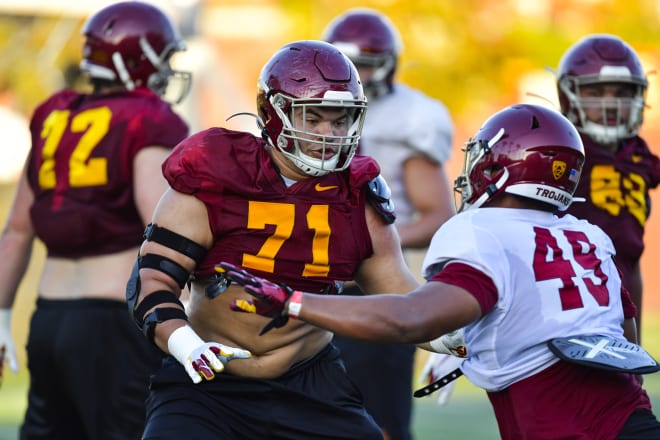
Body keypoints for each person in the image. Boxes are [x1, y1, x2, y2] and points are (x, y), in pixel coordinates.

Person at [220, 103, 660, 440]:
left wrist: (295, 302)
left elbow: (408, 318)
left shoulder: (484, 231)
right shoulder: (589, 237)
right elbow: (623, 342)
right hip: (633, 418)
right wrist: (476, 346)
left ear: (494, 167)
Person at [128, 39, 420, 439]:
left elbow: (403, 296)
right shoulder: (215, 173)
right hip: (208, 379)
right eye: (312, 119)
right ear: (273, 115)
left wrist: (457, 336)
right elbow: (151, 283)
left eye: (339, 121)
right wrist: (187, 347)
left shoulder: (357, 193)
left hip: (311, 382)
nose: (328, 134)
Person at [0, 2, 191, 438]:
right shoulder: (148, 119)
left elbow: (15, 230)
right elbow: (165, 233)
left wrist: (1, 315)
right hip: (113, 322)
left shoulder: (55, 114)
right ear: (140, 58)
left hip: (48, 317)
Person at [321, 8, 456, 437]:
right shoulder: (309, 109)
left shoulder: (410, 116)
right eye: (346, 63)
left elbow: (437, 215)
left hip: (378, 289)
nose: (355, 74)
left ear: (390, 64)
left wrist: (364, 245)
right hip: (314, 283)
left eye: (365, 64)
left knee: (379, 422)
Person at [555, 33, 660, 344]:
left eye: (622, 94)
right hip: (561, 314)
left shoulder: (639, 160)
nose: (611, 104)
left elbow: (631, 260)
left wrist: (635, 343)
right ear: (568, 95)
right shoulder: (559, 149)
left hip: (615, 317)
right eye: (596, 92)